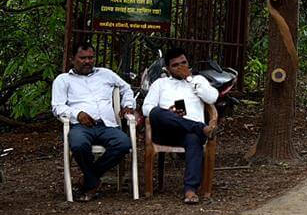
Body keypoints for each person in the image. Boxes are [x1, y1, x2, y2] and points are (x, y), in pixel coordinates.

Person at [51, 42, 135, 201]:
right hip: (80, 126)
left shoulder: (106, 74)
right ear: (72, 59)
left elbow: (126, 88)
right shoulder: (63, 80)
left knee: (124, 144)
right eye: (82, 58)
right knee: (78, 145)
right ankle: (93, 182)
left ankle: (89, 179)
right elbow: (57, 107)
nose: (87, 61)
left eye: (90, 58)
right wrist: (77, 113)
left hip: (108, 125)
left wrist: (128, 105)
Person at [142, 47, 218, 204]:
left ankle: (190, 191)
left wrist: (190, 79)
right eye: (176, 65)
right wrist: (168, 113)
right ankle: (200, 128)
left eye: (184, 63)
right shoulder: (160, 83)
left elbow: (212, 98)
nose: (181, 67)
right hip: (166, 131)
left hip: (188, 134)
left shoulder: (198, 80)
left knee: (193, 138)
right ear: (168, 69)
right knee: (156, 112)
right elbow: (146, 108)